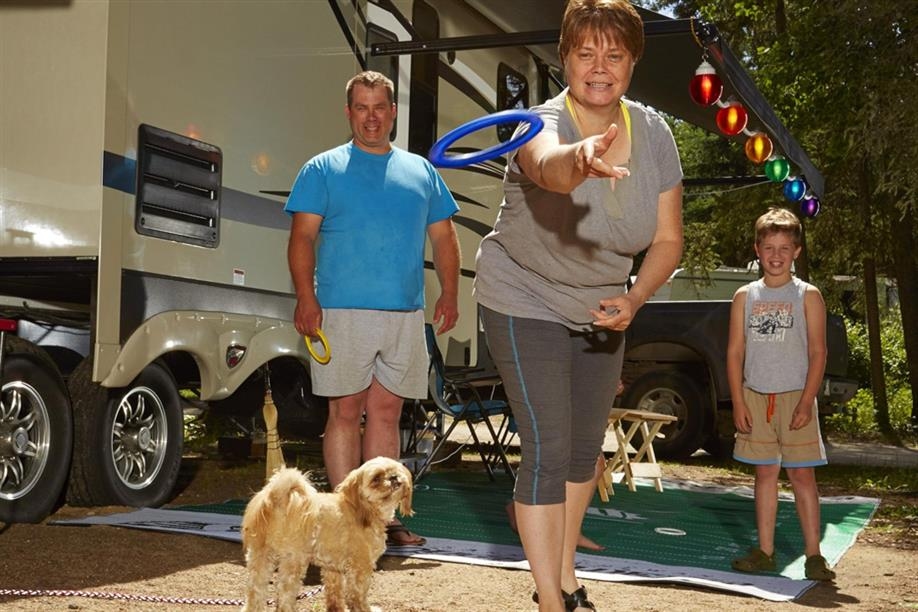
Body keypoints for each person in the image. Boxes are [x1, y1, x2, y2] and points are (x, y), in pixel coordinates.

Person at [474, 1, 684, 608]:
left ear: (632, 62)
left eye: (614, 54)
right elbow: (546, 168)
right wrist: (580, 160)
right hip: (523, 293)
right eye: (585, 53)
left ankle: (565, 580)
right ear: (564, 58)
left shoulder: (655, 134)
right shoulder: (538, 122)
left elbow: (669, 240)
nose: (599, 66)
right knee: (547, 443)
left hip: (605, 305)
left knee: (585, 451)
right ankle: (549, 600)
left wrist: (637, 297)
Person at [285, 70, 461, 546]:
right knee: (345, 411)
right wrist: (306, 297)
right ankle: (346, 522)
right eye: (361, 108)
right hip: (340, 312)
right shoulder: (322, 168)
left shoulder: (421, 172)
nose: (371, 118)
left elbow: (444, 237)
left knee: (387, 413)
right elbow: (302, 237)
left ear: (393, 112)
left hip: (405, 312)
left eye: (379, 107)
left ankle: (383, 523)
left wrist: (450, 292)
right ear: (349, 114)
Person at [727, 207, 836, 581]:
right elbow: (735, 351)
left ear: (796, 252)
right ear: (757, 249)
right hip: (755, 396)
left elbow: (818, 352)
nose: (776, 255)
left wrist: (807, 401)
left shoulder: (808, 295)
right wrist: (739, 400)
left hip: (795, 397)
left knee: (802, 475)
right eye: (769, 247)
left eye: (784, 248)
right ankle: (766, 551)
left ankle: (814, 556)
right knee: (765, 475)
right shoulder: (745, 296)